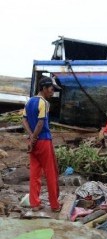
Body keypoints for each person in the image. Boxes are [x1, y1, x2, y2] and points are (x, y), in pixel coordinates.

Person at [22, 77, 61, 212]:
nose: (52, 92)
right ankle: (55, 205)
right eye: (51, 89)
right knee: (50, 172)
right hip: (44, 140)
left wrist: (31, 137)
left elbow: (24, 121)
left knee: (35, 172)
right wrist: (35, 137)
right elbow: (40, 122)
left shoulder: (29, 102)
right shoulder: (44, 102)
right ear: (44, 88)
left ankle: (35, 204)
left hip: (33, 142)